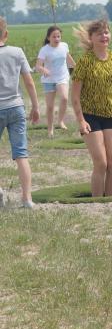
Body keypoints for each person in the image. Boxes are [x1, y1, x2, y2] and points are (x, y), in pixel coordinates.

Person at [70, 19, 112, 197]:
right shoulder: (84, 61)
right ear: (91, 38)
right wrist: (81, 120)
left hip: (109, 115)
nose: (104, 36)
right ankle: (97, 203)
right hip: (89, 116)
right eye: (99, 33)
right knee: (101, 163)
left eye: (106, 32)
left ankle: (111, 201)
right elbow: (75, 95)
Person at [0, 17, 40, 209]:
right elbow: (29, 82)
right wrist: (35, 106)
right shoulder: (17, 52)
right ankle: (27, 199)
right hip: (16, 107)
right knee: (21, 154)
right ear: (5, 34)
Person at [35, 25, 75, 136]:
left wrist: (77, 67)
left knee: (64, 98)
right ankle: (50, 129)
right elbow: (38, 66)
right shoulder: (44, 50)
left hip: (62, 77)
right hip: (49, 80)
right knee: (50, 106)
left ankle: (61, 121)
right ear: (48, 38)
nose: (57, 39)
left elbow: (68, 58)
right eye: (54, 37)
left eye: (58, 36)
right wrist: (44, 70)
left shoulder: (64, 46)